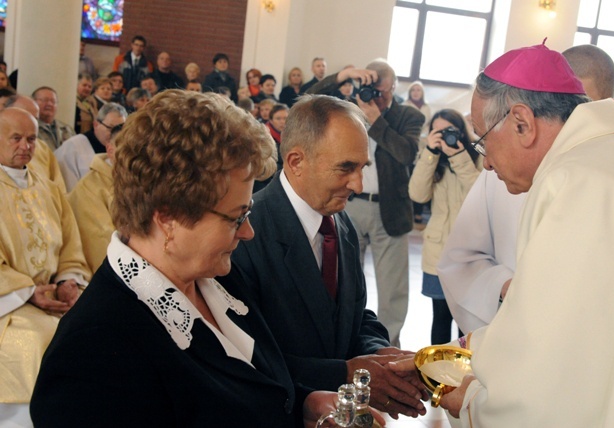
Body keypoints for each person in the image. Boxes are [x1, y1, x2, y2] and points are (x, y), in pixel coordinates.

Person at [30, 90, 369, 428]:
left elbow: (248, 387)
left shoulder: (217, 279)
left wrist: (303, 406)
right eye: (236, 217)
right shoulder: (91, 353)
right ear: (169, 219)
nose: (248, 231)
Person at [394, 40, 614, 426]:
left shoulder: (572, 180)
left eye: (481, 140)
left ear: (522, 123)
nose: (487, 162)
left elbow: (549, 367)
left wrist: (471, 401)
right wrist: (461, 349)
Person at [220, 94, 427, 419]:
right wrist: (343, 373)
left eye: (362, 168)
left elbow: (355, 316)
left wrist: (381, 356)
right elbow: (246, 359)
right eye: (346, 168)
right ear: (296, 161)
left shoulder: (340, 222)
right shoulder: (246, 233)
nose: (357, 184)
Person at [437, 44, 614, 333]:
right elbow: (462, 260)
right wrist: (504, 286)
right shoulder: (502, 168)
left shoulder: (613, 178)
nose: (486, 164)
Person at [308, 59, 424, 347]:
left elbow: (406, 153)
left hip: (391, 210)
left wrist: (377, 121)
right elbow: (309, 100)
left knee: (393, 289)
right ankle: (348, 341)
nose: (378, 96)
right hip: (351, 205)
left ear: (394, 87)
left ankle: (387, 348)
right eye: (373, 89)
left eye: (384, 91)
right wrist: (343, 75)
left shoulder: (407, 116)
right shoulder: (348, 110)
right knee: (344, 281)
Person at [0, 108, 90, 426]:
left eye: (32, 139)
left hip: (49, 295)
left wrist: (68, 279)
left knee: (92, 328)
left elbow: (70, 244)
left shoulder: (48, 188)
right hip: (9, 303)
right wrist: (27, 292)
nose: (25, 146)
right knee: (39, 340)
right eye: (16, 138)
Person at [408, 109, 482, 344]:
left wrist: (458, 156)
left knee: (466, 322)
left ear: (461, 131)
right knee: (440, 317)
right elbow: (417, 195)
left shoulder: (477, 156)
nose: (444, 136)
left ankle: (463, 376)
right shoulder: (430, 158)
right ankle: (436, 375)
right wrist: (430, 153)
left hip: (470, 252)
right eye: (437, 131)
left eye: (449, 130)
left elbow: (479, 195)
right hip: (437, 252)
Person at [67, 124, 123, 273]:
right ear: (110, 150)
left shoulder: (144, 182)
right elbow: (101, 241)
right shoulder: (89, 189)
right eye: (127, 150)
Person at [3, 94, 68, 195]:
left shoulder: (43, 148)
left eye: (35, 118)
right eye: (23, 115)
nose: (25, 147)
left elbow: (58, 189)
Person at [55, 102, 127, 191]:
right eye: (111, 128)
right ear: (96, 125)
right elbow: (67, 188)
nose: (116, 134)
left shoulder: (125, 150)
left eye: (121, 129)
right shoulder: (74, 146)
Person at [402, 81, 433, 226]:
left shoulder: (427, 107)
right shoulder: (405, 106)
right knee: (408, 180)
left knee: (421, 178)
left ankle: (418, 212)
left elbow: (429, 126)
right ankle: (407, 210)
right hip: (411, 145)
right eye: (413, 90)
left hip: (424, 146)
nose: (415, 92)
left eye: (418, 90)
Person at [253, 103, 288, 193]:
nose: (282, 122)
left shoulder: (292, 135)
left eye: (285, 118)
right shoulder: (263, 136)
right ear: (271, 120)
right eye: (278, 118)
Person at [32, 86, 76, 152]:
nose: (49, 104)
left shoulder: (67, 129)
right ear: (33, 102)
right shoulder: (31, 128)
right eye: (45, 100)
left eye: (53, 101)